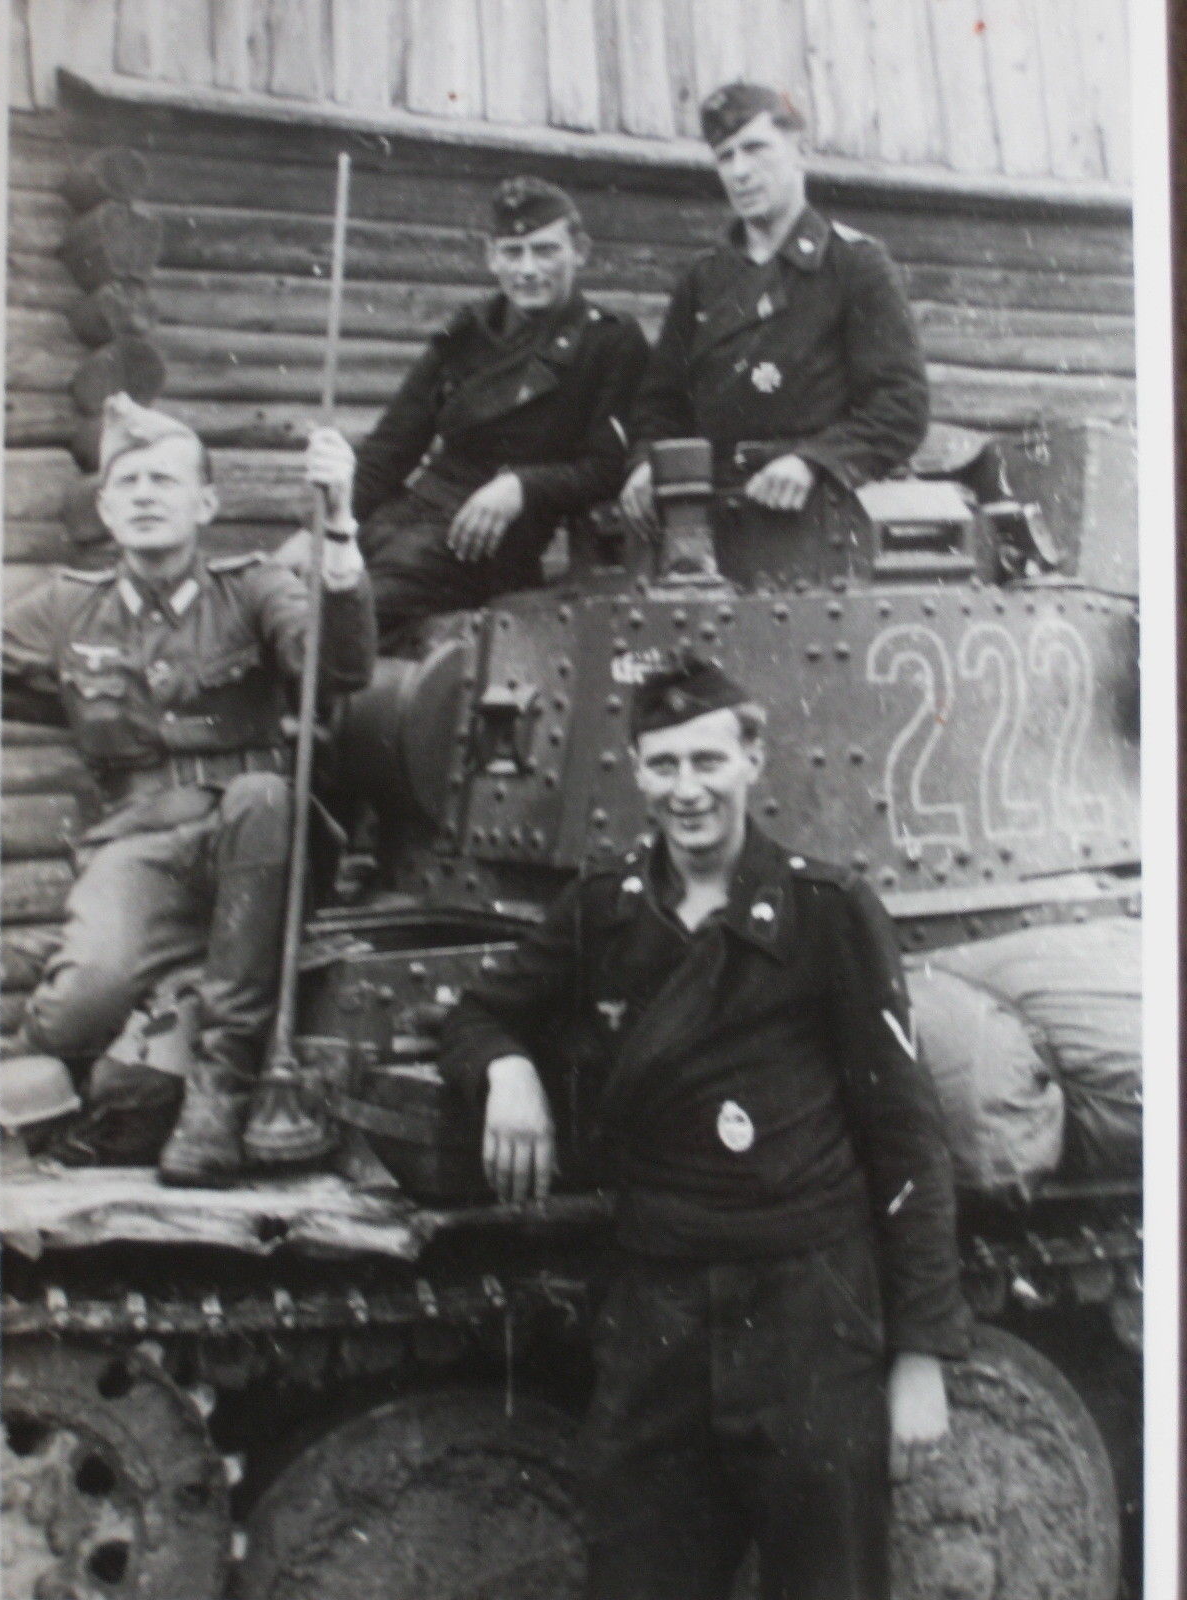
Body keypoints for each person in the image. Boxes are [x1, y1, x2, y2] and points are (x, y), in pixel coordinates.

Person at [441, 651, 970, 1600]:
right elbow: (479, 1013)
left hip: (809, 1310)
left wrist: (921, 1355)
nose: (687, 790)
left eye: (708, 761)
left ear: (752, 760)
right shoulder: (604, 909)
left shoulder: (826, 911)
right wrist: (506, 1068)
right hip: (660, 1316)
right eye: (665, 765)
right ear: (638, 775)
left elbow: (906, 1136)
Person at [1, 394, 376, 1186]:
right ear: (104, 508)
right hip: (139, 845)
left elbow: (341, 669)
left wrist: (340, 528)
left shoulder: (255, 588)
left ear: (205, 504)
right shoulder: (67, 607)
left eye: (164, 481)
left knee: (263, 796)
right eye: (128, 482)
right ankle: (140, 1023)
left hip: (257, 848)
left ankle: (220, 1087)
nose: (144, 495)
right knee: (76, 1011)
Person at [312, 175, 647, 652]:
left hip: (484, 545)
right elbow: (391, 447)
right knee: (290, 593)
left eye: (545, 251)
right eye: (513, 252)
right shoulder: (468, 331)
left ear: (580, 251)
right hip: (406, 525)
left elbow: (607, 468)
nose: (527, 270)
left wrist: (522, 486)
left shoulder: (609, 342)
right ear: (491, 256)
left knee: (341, 617)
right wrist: (316, 531)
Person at [621, 82, 929, 572]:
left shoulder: (853, 265)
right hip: (708, 527)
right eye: (725, 156)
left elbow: (901, 406)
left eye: (755, 149)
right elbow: (660, 405)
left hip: (819, 524)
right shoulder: (704, 279)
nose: (739, 171)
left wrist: (814, 461)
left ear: (800, 150)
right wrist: (644, 463)